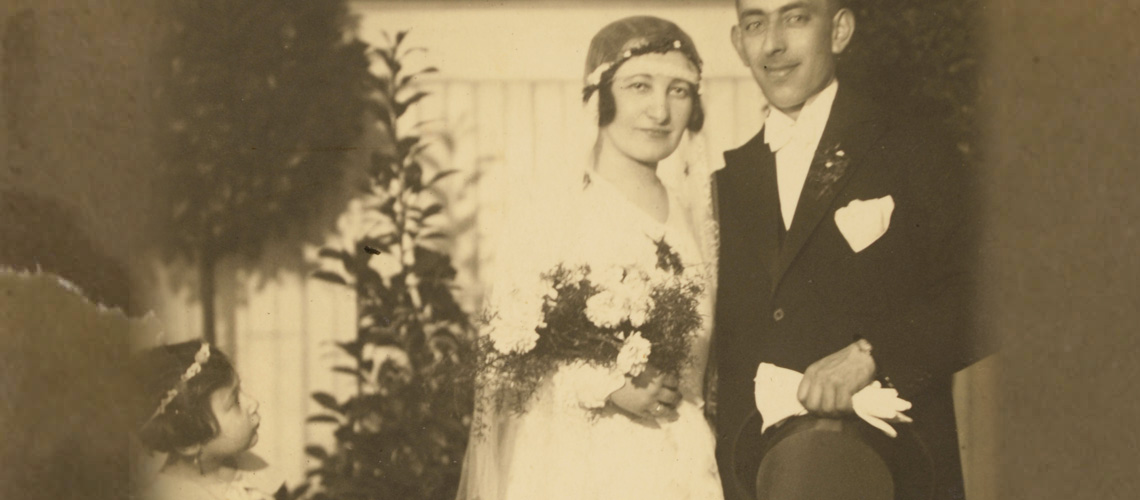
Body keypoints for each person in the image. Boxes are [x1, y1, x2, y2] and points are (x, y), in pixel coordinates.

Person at [713, 0, 979, 499]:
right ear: (738, 43)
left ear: (838, 30)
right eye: (755, 23)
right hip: (760, 477)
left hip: (896, 472)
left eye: (795, 17)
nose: (772, 42)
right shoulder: (728, 183)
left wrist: (874, 355)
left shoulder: (912, 145)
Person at [456, 16, 724, 500]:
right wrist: (606, 384)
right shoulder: (554, 209)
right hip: (578, 466)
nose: (659, 110)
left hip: (681, 468)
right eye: (639, 86)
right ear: (600, 94)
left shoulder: (697, 222)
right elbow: (510, 363)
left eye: (679, 90)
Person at [129, 341, 269, 500]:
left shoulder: (253, 466)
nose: (253, 403)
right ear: (189, 442)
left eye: (240, 389)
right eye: (234, 401)